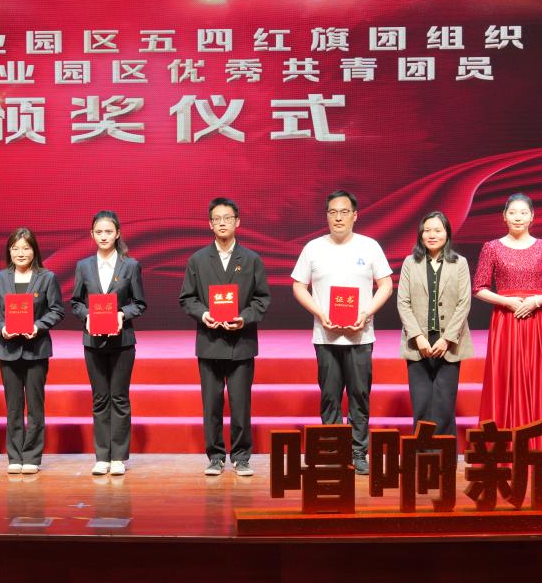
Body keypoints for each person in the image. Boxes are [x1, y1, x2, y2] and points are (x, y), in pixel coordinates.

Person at [291, 190, 393, 475]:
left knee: (360, 395)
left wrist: (367, 313)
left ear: (355, 216)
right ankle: (333, 449)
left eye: (344, 212)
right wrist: (319, 313)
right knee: (330, 395)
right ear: (326, 216)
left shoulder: (369, 246)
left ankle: (359, 452)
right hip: (326, 336)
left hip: (361, 335)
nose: (338, 217)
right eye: (333, 212)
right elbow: (299, 285)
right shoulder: (313, 248)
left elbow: (386, 284)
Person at [473, 192, 542, 472]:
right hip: (505, 319)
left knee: (535, 379)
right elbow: (479, 287)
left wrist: (536, 301)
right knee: (503, 379)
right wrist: (507, 302)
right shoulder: (491, 247)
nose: (518, 217)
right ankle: (500, 452)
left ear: (532, 217)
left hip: (535, 320)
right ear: (504, 216)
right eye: (512, 212)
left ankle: (537, 452)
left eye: (523, 213)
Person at [179, 197, 270, 477]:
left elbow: (262, 299)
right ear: (210, 224)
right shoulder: (198, 260)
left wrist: (244, 317)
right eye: (217, 219)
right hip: (210, 342)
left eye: (227, 218)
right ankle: (216, 456)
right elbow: (187, 298)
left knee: (241, 404)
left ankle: (241, 457)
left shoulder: (252, 259)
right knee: (212, 404)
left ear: (237, 222)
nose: (222, 223)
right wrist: (204, 314)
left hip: (241, 343)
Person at [70, 210, 147, 476]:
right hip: (93, 341)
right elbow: (76, 302)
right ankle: (102, 456)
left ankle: (118, 458)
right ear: (92, 235)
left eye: (108, 232)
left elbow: (139, 303)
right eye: (99, 232)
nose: (104, 236)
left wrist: (122, 314)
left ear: (117, 234)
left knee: (120, 397)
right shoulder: (83, 266)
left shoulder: (130, 266)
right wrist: (87, 316)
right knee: (100, 398)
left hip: (122, 341)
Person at [0, 227, 64, 475]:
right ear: (9, 251)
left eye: (26, 248)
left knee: (36, 407)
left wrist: (38, 326)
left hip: (36, 349)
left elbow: (57, 310)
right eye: (16, 248)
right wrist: (2, 328)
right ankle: (15, 456)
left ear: (34, 250)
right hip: (8, 349)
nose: (20, 253)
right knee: (14, 407)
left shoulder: (46, 277)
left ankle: (32, 457)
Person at [396, 211, 473, 439]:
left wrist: (447, 339)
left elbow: (464, 303)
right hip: (418, 342)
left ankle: (443, 453)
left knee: (444, 403)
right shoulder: (410, 262)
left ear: (447, 233)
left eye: (437, 230)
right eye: (427, 230)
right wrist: (417, 337)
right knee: (421, 402)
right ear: (420, 234)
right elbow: (403, 302)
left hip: (449, 342)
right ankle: (420, 452)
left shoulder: (459, 263)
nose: (432, 235)